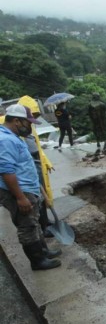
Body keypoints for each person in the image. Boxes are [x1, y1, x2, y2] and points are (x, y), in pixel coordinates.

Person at [0, 104, 61, 271]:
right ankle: (37, 261)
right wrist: (20, 197)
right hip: (20, 191)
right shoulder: (5, 140)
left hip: (28, 188)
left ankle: (43, 252)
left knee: (34, 222)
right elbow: (7, 171)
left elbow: (24, 166)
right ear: (17, 121)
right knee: (27, 226)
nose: (30, 126)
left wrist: (39, 189)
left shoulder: (11, 136)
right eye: (29, 123)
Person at [18, 96, 56, 238]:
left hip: (36, 163)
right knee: (36, 198)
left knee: (43, 195)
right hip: (28, 169)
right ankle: (42, 226)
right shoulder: (13, 132)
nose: (32, 121)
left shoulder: (29, 127)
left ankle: (45, 221)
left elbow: (38, 148)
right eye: (31, 117)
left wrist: (46, 163)